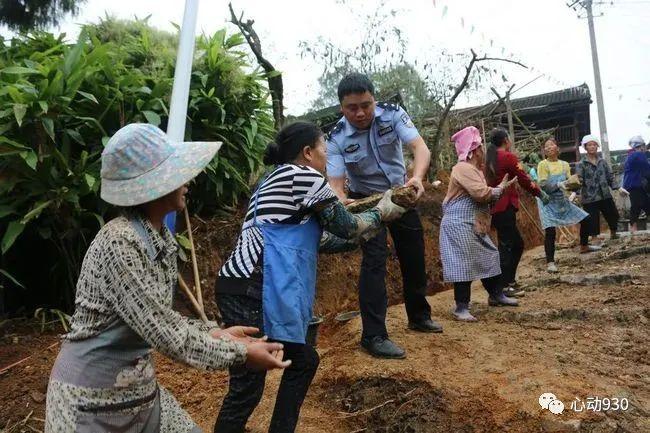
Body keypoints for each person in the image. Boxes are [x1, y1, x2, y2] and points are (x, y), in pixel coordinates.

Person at [44, 123, 290, 433]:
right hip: (89, 404)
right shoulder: (118, 242)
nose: (188, 179)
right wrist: (239, 353)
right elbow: (161, 332)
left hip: (138, 394)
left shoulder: (160, 239)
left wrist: (215, 334)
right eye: (177, 172)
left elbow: (162, 317)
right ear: (157, 184)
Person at [213, 121, 405, 433]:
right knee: (247, 386)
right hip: (251, 287)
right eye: (324, 152)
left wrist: (366, 233)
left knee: (303, 361)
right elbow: (346, 226)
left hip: (243, 286)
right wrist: (381, 212)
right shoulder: (303, 176)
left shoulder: (270, 182)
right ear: (307, 153)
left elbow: (325, 241)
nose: (326, 160)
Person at [326, 72, 442, 360]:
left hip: (401, 194)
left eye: (365, 104)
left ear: (374, 100)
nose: (361, 112)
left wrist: (416, 178)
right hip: (368, 203)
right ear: (342, 107)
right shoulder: (336, 137)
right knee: (374, 262)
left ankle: (418, 315)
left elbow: (419, 147)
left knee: (413, 255)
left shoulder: (393, 115)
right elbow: (336, 185)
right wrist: (344, 201)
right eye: (352, 107)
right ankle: (374, 335)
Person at [439, 126, 519, 322]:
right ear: (474, 150)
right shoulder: (462, 168)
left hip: (470, 223)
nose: (484, 150)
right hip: (458, 224)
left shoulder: (474, 170)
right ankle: (461, 307)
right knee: (463, 263)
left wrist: (498, 189)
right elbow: (480, 193)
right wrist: (498, 189)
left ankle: (496, 294)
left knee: (489, 255)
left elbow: (483, 194)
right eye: (481, 147)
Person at [485, 127, 544, 296]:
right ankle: (503, 286)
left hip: (495, 208)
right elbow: (523, 178)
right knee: (509, 246)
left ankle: (509, 282)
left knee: (513, 244)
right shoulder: (508, 157)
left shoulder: (489, 159)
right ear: (506, 140)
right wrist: (539, 192)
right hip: (505, 206)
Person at [536, 138, 589, 272]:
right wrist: (558, 185)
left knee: (586, 219)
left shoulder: (565, 164)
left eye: (551, 145)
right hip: (547, 201)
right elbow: (543, 185)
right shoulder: (543, 164)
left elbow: (569, 182)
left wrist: (573, 192)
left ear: (557, 148)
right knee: (550, 231)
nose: (548, 148)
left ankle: (584, 246)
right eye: (546, 146)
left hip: (562, 200)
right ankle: (550, 263)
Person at [576, 134, 623, 253]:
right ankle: (595, 238)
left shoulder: (602, 162)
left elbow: (609, 177)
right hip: (590, 197)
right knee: (592, 219)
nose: (592, 147)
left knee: (612, 214)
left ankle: (613, 233)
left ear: (597, 146)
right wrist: (575, 192)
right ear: (585, 147)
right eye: (589, 145)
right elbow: (579, 180)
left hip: (604, 194)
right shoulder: (581, 164)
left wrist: (617, 187)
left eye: (594, 144)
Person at [622, 135, 650, 234]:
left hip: (634, 184)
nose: (645, 148)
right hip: (634, 185)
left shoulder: (632, 155)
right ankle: (632, 227)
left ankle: (633, 226)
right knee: (636, 205)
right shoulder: (638, 155)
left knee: (646, 203)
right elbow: (647, 169)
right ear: (641, 146)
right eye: (644, 145)